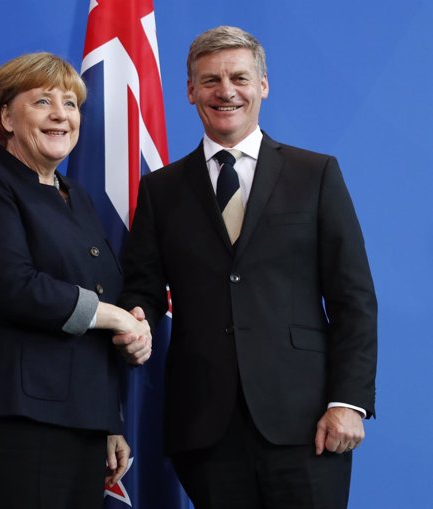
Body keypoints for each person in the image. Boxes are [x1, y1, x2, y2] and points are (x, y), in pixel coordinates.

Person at [116, 26, 377, 508]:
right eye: (210, 80)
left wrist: (348, 402)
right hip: (206, 429)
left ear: (263, 85)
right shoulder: (162, 190)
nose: (226, 91)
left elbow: (353, 298)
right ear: (191, 90)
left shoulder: (315, 174)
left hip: (308, 423)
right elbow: (144, 289)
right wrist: (134, 316)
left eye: (239, 77)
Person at [0, 52, 152, 509]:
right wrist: (113, 317)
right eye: (43, 101)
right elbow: (11, 284)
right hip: (6, 419)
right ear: (6, 117)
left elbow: (99, 297)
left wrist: (106, 420)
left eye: (70, 104)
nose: (61, 115)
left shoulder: (78, 198)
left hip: (77, 424)